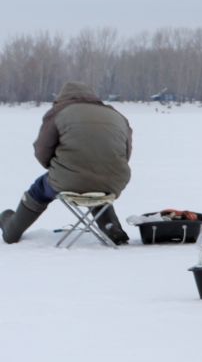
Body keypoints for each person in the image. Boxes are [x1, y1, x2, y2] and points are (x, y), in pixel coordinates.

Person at [2, 81, 133, 245]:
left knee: (40, 188)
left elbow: (41, 149)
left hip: (69, 179)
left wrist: (55, 169)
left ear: (62, 97)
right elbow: (126, 153)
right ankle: (112, 230)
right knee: (96, 190)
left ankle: (11, 231)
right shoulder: (117, 115)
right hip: (114, 180)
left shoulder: (59, 112)